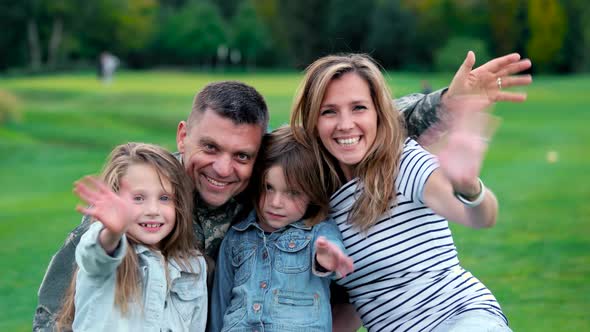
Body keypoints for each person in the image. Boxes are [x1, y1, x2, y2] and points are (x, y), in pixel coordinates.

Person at [34, 51, 532, 331]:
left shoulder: (281, 188)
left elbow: (355, 126)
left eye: (243, 156)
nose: (224, 169)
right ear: (183, 135)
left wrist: (443, 103)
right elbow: (63, 300)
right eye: (210, 147)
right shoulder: (144, 201)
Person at [291, 53, 514, 331]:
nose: (345, 124)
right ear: (312, 121)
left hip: (461, 317)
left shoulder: (404, 163)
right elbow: (355, 302)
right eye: (329, 111)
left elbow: (480, 216)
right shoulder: (319, 202)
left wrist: (468, 187)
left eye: (358, 108)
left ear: (378, 114)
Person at [210, 126, 354, 331]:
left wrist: (328, 260)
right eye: (268, 187)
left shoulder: (317, 231)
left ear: (312, 194)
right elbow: (220, 302)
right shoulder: (236, 236)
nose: (276, 202)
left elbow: (333, 254)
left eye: (293, 193)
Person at [55, 143, 207, 331]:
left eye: (164, 198)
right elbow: (95, 254)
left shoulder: (193, 266)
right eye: (138, 198)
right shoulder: (106, 253)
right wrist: (113, 232)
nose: (152, 210)